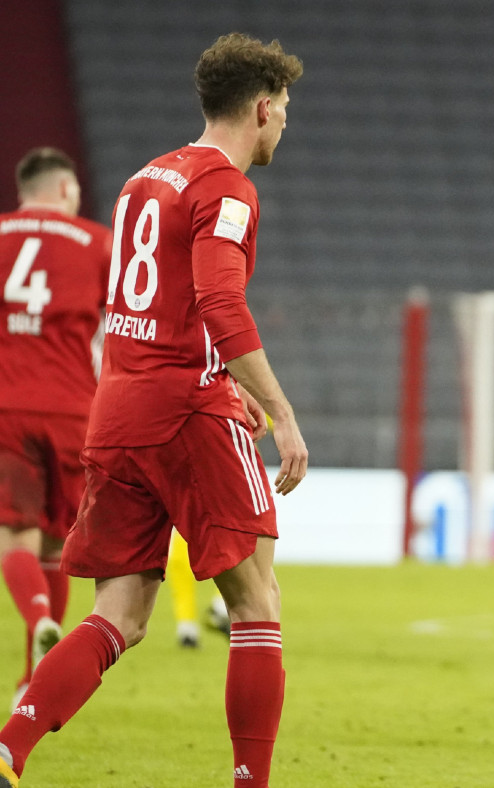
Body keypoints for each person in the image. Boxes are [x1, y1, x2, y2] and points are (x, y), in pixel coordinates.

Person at [0, 33, 307, 787]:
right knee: (257, 602)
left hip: (117, 409)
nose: (285, 122)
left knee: (119, 614)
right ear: (260, 109)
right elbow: (220, 301)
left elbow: (153, 304)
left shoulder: (145, 179)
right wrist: (281, 410)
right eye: (284, 108)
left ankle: (8, 749)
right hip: (186, 414)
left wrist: (224, 375)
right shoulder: (228, 189)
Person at [0, 148, 111, 702]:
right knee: (57, 542)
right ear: (66, 189)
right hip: (74, 410)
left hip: (8, 406)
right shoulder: (97, 243)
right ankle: (31, 680)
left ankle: (38, 614)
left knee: (13, 535)